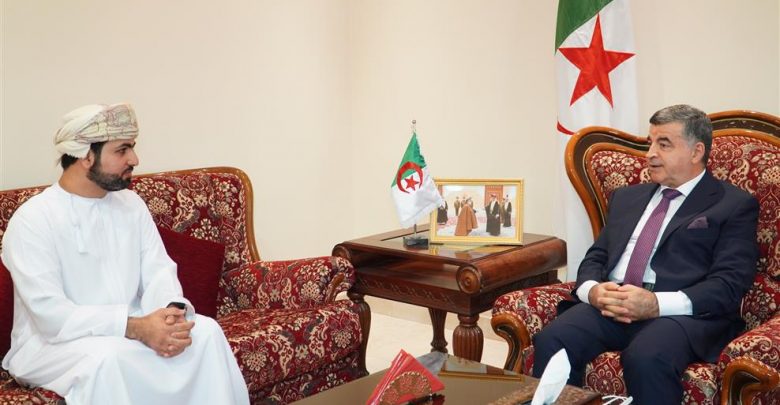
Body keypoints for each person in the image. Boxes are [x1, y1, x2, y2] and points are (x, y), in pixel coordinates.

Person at [1, 103, 250, 405]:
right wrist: (135, 328)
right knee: (109, 358)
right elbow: (51, 315)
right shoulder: (33, 219)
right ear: (85, 156)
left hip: (131, 325)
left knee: (206, 333)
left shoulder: (131, 205)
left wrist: (169, 314)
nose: (134, 159)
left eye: (132, 147)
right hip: (53, 344)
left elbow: (158, 270)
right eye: (122, 150)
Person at [532, 105, 759, 405]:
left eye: (663, 144)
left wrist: (654, 304)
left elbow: (729, 283)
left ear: (696, 152)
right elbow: (596, 257)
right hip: (612, 304)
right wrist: (593, 291)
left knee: (646, 356)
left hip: (679, 315)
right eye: (650, 143)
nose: (650, 153)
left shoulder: (733, 205)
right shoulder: (627, 197)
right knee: (554, 339)